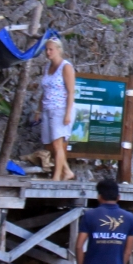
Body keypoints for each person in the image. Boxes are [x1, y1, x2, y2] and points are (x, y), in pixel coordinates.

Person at [39, 35, 77, 181]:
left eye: (51, 49)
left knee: (57, 144)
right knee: (49, 144)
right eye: (46, 49)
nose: (48, 52)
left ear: (58, 50)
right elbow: (45, 90)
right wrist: (38, 109)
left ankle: (56, 177)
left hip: (60, 108)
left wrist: (68, 113)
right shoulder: (48, 67)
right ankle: (67, 171)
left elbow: (71, 91)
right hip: (48, 107)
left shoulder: (66, 67)